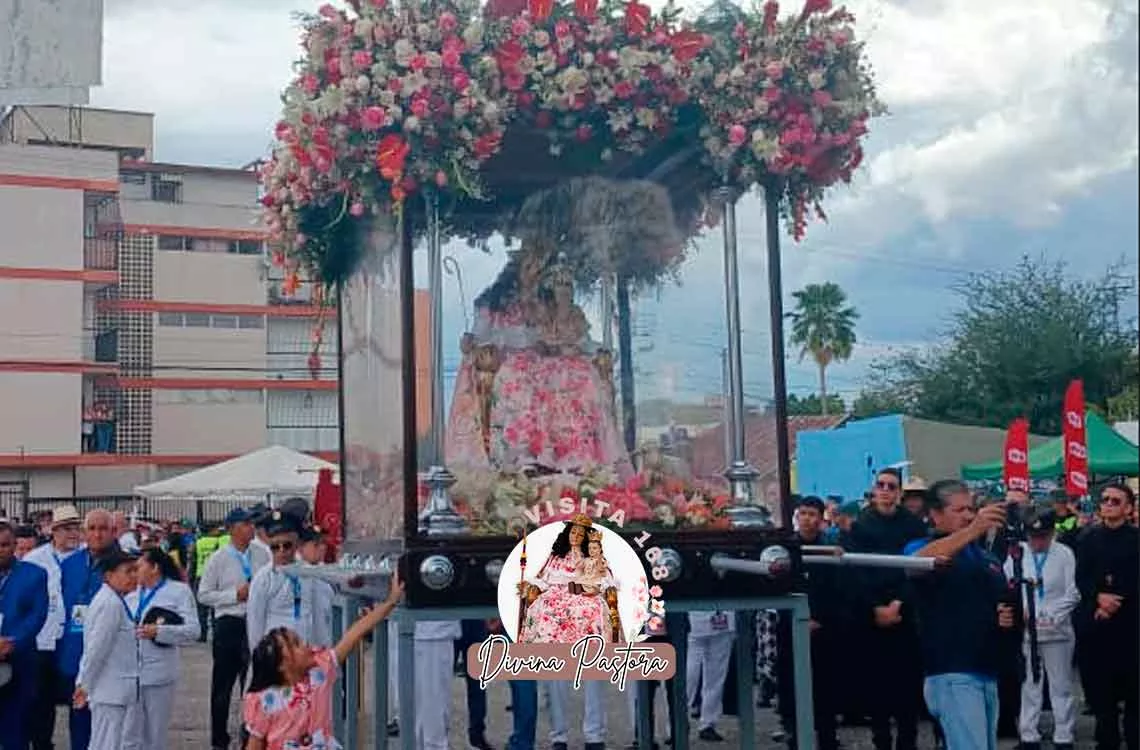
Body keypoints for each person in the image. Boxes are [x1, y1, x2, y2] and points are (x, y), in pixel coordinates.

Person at [904, 479, 1018, 749]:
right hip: (952, 669)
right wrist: (974, 529)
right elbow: (916, 564)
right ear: (935, 513)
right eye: (959, 510)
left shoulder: (985, 557)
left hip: (987, 668)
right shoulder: (923, 546)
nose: (968, 516)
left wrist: (1002, 615)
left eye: (971, 509)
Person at [242, 571, 404, 750]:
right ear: (282, 665)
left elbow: (353, 635)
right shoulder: (265, 700)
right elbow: (254, 745)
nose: (305, 644)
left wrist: (390, 602)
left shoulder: (319, 671)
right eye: (296, 644)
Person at [848, 468, 928, 750]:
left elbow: (916, 569)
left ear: (899, 493)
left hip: (904, 613)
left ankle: (908, 743)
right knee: (876, 686)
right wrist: (875, 608)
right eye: (880, 485)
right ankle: (880, 742)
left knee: (907, 685)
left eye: (891, 486)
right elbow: (855, 572)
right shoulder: (860, 526)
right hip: (871, 615)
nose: (885, 490)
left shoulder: (914, 526)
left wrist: (897, 604)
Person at [1003, 509, 1080, 750]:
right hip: (1028, 630)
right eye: (1033, 537)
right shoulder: (1018, 554)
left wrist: (1052, 615)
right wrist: (1020, 610)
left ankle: (1063, 735)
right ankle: (1029, 735)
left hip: (1057, 632)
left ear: (1052, 534)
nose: (1037, 542)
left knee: (1060, 684)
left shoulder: (1064, 554)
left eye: (1043, 537)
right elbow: (1009, 584)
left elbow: (1074, 592)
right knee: (1030, 683)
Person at [778, 496, 848, 750]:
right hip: (791, 631)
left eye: (812, 514)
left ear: (820, 519)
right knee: (793, 687)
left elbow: (837, 590)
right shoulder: (785, 549)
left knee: (825, 688)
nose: (807, 519)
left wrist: (820, 619)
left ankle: (828, 738)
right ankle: (796, 737)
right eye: (803, 513)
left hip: (824, 631)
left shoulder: (830, 549)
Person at [197, 507, 270, 750]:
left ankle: (250, 736)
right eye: (246, 524)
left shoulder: (261, 553)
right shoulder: (218, 558)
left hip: (255, 621)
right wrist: (233, 596)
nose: (251, 528)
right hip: (230, 623)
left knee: (253, 683)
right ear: (232, 529)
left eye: (252, 524)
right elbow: (204, 595)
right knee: (223, 685)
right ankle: (219, 739)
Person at [1075, 482, 1139, 750]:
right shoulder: (1087, 538)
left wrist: (1116, 600)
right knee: (1103, 700)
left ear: (1128, 508)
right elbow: (1080, 577)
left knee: (1135, 699)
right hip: (1098, 626)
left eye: (1115, 501)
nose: (1108, 505)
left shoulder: (1137, 540)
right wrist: (1098, 598)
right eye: (1105, 500)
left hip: (1131, 627)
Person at [122, 547, 201, 750]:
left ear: (154, 568)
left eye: (139, 567)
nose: (134, 571)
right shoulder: (131, 592)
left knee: (154, 736)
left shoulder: (178, 591)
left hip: (159, 674)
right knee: (128, 734)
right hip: (130, 673)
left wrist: (160, 631)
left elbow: (194, 631)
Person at [58, 509, 121, 750]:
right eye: (92, 529)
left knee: (110, 727)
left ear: (113, 532)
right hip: (76, 652)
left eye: (103, 528)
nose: (97, 534)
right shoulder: (70, 564)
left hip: (111, 655)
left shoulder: (126, 563)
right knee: (80, 717)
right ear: (84, 533)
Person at [24, 504, 84, 750]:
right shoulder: (35, 559)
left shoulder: (86, 558)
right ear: (54, 531)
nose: (72, 534)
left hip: (75, 641)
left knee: (77, 700)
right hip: (42, 642)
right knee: (41, 701)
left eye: (75, 528)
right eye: (66, 529)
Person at [72, 549, 141, 750]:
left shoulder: (115, 600)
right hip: (109, 690)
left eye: (135, 570)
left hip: (115, 690)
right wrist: (84, 684)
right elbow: (97, 649)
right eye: (128, 571)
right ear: (109, 576)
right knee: (106, 744)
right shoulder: (109, 604)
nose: (134, 576)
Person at [517, 515, 614, 643]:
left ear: (585, 539)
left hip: (582, 592)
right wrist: (534, 586)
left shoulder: (590, 557)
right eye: (573, 532)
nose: (575, 537)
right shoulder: (556, 556)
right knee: (547, 607)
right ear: (568, 533)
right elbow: (544, 578)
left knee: (592, 608)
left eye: (580, 535)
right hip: (556, 592)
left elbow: (602, 578)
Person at [247, 511, 329, 651]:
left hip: (306, 651)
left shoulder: (309, 573)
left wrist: (323, 651)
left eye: (287, 545)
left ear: (296, 543)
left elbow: (320, 615)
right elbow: (255, 623)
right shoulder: (263, 579)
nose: (281, 551)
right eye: (275, 547)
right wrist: (258, 659)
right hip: (277, 655)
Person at [0, 521, 50, 750]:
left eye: (5, 545)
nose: (1, 550)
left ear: (14, 545)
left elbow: (37, 614)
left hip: (18, 662)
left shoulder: (34, 574)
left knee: (15, 729)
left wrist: (13, 642)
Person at [687, 609, 734, 742]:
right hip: (694, 617)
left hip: (723, 617)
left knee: (716, 676)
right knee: (688, 675)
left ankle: (708, 723)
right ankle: (678, 720)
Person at [296, 525, 335, 648]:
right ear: (301, 548)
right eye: (316, 544)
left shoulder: (325, 573)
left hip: (324, 645)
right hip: (302, 646)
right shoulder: (294, 574)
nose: (322, 548)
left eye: (324, 543)